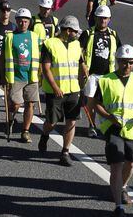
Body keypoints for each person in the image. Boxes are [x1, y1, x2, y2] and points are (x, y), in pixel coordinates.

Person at [94, 44, 133, 216]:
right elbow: (97, 105)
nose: (128, 65)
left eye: (131, 62)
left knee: (130, 163)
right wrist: (109, 117)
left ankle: (121, 187)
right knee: (116, 165)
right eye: (124, 62)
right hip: (113, 129)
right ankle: (118, 206)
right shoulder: (106, 80)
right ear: (117, 61)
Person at [38, 15, 85, 167]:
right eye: (74, 31)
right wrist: (55, 87)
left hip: (73, 91)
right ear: (67, 30)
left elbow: (80, 61)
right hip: (55, 91)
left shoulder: (76, 45)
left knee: (71, 121)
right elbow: (45, 69)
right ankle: (45, 135)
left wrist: (84, 71)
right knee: (52, 121)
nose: (76, 34)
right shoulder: (50, 44)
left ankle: (65, 152)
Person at [79, 5, 122, 138]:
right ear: (96, 18)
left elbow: (120, 52)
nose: (103, 20)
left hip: (108, 75)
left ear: (109, 19)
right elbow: (78, 49)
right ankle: (92, 125)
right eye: (100, 18)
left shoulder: (113, 35)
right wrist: (82, 64)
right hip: (91, 74)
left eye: (105, 18)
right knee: (91, 100)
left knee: (105, 102)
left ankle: (107, 126)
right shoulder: (88, 33)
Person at [3, 8, 39, 143]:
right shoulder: (10, 37)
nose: (23, 23)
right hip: (16, 77)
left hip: (31, 77)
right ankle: (11, 119)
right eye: (20, 21)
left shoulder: (34, 37)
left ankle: (25, 131)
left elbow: (40, 55)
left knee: (30, 104)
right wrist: (3, 76)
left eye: (25, 21)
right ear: (16, 21)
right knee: (16, 105)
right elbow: (3, 57)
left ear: (29, 22)